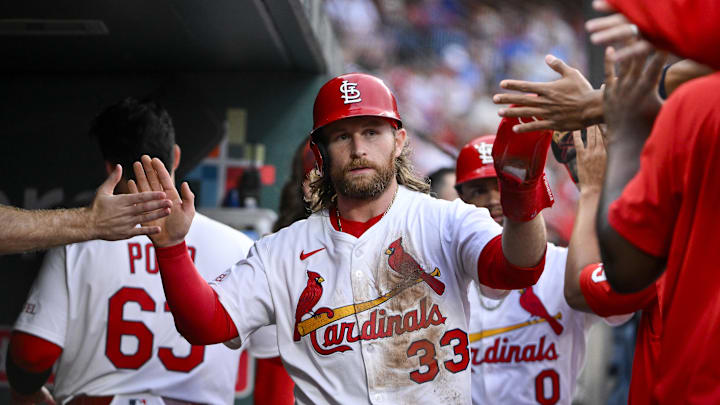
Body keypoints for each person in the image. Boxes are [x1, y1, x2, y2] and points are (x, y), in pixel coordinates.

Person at [130, 72, 552, 404]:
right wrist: (171, 250)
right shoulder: (283, 250)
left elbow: (518, 267)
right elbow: (207, 324)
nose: (358, 148)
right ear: (320, 151)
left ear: (399, 141)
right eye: (342, 136)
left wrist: (521, 195)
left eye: (372, 132)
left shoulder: (446, 221)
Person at [6, 98, 254, 404]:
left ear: (111, 168)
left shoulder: (79, 240)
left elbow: (32, 354)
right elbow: (277, 356)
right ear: (175, 157)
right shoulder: (241, 247)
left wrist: (27, 393)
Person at [455, 130, 631, 405]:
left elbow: (620, 306)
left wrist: (601, 191)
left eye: (502, 186)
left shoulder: (562, 265)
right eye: (478, 190)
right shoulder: (449, 276)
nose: (492, 199)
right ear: (460, 201)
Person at [0, 168, 171, 255]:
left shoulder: (73, 251)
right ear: (176, 156)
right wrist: (91, 221)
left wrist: (92, 221)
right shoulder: (73, 249)